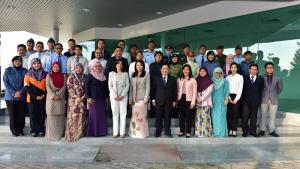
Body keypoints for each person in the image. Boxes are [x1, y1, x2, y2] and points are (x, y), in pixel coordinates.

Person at [151, 64, 177, 138]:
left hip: (169, 102)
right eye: (163, 69)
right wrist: (153, 99)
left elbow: (174, 91)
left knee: (168, 117)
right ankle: (158, 132)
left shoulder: (173, 79)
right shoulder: (156, 79)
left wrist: (174, 100)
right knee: (158, 117)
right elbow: (153, 90)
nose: (165, 70)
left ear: (168, 70)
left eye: (166, 69)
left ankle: (168, 132)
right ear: (161, 70)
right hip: (159, 101)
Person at [3, 56, 27, 136]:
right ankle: (14, 130)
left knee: (21, 114)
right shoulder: (8, 70)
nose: (17, 62)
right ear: (13, 62)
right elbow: (6, 83)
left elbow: (26, 83)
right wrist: (14, 93)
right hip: (10, 97)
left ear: (21, 62)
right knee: (12, 114)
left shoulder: (24, 71)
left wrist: (20, 92)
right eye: (16, 61)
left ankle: (20, 130)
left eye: (19, 61)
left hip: (22, 96)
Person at [258, 62, 283, 137]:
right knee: (262, 116)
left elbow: (280, 88)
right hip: (263, 99)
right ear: (265, 69)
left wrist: (274, 94)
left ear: (273, 68)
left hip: (274, 99)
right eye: (268, 67)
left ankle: (272, 130)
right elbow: (259, 88)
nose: (269, 69)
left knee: (273, 116)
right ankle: (262, 129)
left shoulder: (278, 78)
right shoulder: (261, 77)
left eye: (271, 67)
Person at [24, 58, 47, 137]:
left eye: (38, 63)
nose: (36, 65)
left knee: (41, 114)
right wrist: (35, 97)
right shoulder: (28, 74)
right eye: (34, 63)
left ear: (41, 64)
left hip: (43, 98)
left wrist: (43, 95)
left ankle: (41, 130)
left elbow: (47, 86)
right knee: (33, 114)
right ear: (32, 65)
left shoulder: (45, 74)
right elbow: (26, 87)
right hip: (31, 98)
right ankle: (33, 130)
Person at [86, 59, 109, 137]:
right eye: (96, 66)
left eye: (99, 66)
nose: (98, 67)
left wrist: (106, 97)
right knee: (94, 115)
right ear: (93, 67)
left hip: (102, 99)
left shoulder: (103, 76)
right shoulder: (90, 75)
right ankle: (94, 132)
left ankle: (102, 132)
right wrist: (88, 97)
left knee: (101, 115)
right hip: (93, 99)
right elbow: (87, 87)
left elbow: (106, 88)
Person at [45, 62, 67, 140]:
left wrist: (59, 95)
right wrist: (53, 95)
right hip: (51, 99)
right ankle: (51, 135)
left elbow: (65, 86)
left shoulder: (63, 75)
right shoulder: (49, 75)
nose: (56, 68)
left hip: (60, 99)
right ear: (52, 67)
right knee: (51, 116)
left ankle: (60, 134)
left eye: (57, 67)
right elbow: (47, 86)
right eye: (54, 67)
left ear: (60, 67)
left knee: (60, 116)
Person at [65, 63, 87, 142]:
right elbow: (69, 88)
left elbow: (87, 88)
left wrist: (83, 97)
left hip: (82, 100)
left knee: (81, 116)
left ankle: (80, 133)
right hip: (73, 101)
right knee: (73, 117)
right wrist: (77, 97)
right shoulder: (71, 77)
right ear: (74, 68)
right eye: (77, 68)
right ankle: (72, 134)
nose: (78, 69)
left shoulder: (84, 77)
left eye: (80, 68)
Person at [128, 60, 150, 138]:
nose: (139, 66)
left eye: (140, 65)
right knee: (135, 117)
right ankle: (135, 133)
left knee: (142, 117)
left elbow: (148, 87)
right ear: (135, 66)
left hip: (142, 99)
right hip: (135, 100)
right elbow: (131, 88)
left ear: (143, 66)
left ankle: (143, 133)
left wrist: (146, 99)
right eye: (137, 65)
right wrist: (130, 99)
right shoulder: (133, 75)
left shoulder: (146, 74)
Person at [241, 64, 264, 137]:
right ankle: (244, 132)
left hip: (255, 101)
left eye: (255, 69)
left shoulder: (260, 79)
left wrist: (259, 101)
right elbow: (243, 90)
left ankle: (252, 132)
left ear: (257, 71)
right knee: (245, 117)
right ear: (249, 70)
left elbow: (261, 91)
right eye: (252, 69)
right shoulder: (245, 78)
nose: (253, 71)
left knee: (254, 117)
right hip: (246, 101)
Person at [108, 59, 129, 138]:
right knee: (115, 114)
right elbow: (110, 86)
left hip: (123, 97)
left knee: (123, 114)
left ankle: (122, 132)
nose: (119, 65)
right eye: (118, 64)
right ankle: (115, 132)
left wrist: (122, 95)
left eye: (121, 64)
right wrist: (115, 96)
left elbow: (127, 86)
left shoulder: (125, 74)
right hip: (114, 97)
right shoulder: (111, 74)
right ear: (115, 65)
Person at [177, 65, 197, 138]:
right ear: (182, 70)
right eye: (184, 69)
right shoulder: (179, 79)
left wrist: (193, 102)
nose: (186, 71)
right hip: (181, 99)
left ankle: (188, 132)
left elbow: (195, 92)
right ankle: (181, 131)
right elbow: (177, 90)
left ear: (189, 71)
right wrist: (176, 100)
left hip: (189, 99)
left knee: (188, 116)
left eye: (187, 69)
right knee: (181, 116)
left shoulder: (193, 80)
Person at [226, 63, 244, 137]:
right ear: (230, 68)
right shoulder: (227, 77)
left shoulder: (240, 77)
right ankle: (230, 129)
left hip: (237, 97)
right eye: (232, 67)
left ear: (237, 68)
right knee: (229, 114)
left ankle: (234, 130)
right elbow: (226, 89)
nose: (233, 69)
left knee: (235, 114)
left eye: (235, 67)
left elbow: (240, 88)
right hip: (229, 96)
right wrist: (229, 98)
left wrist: (236, 99)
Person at [195, 67, 213, 137]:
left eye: (204, 71)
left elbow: (209, 91)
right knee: (199, 118)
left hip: (206, 102)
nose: (202, 72)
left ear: (206, 72)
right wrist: (197, 98)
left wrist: (201, 99)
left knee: (205, 118)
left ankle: (206, 133)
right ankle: (199, 133)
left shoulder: (209, 81)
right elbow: (195, 90)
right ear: (199, 72)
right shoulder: (196, 80)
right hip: (198, 102)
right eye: (201, 71)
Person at [211, 67, 229, 137]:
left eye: (220, 73)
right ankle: (215, 132)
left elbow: (227, 91)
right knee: (214, 117)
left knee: (221, 117)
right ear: (214, 73)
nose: (218, 74)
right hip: (213, 101)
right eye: (217, 73)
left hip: (222, 101)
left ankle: (221, 133)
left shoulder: (225, 81)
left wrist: (226, 99)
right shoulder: (211, 81)